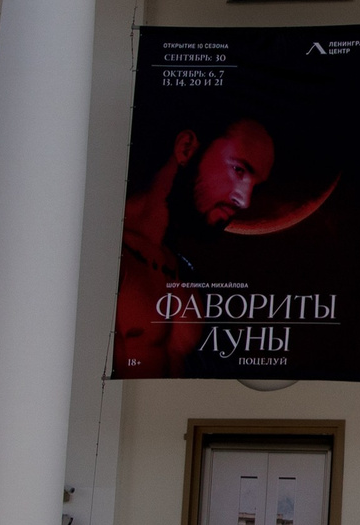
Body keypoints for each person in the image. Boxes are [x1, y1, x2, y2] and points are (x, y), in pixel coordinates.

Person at [115, 118, 276, 376]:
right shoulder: (109, 254)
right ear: (187, 148)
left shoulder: (181, 270)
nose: (244, 201)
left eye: (254, 187)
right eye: (238, 170)